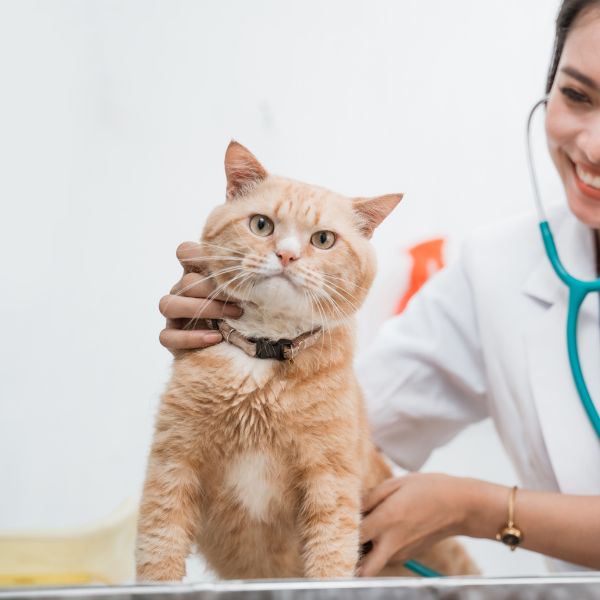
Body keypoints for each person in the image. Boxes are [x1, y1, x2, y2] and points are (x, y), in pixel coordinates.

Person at [157, 0, 600, 574]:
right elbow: (344, 424)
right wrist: (248, 337)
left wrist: (481, 508)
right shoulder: (498, 267)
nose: (591, 146)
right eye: (577, 95)